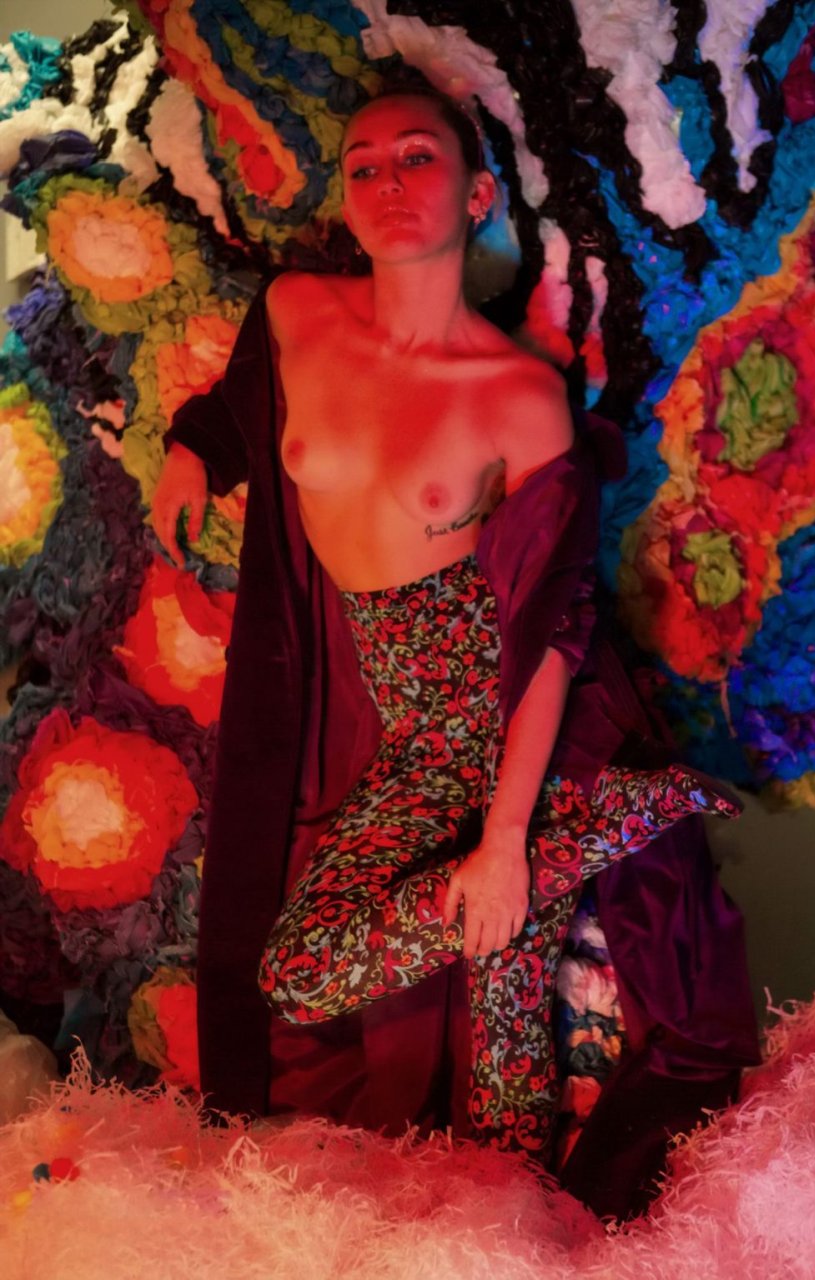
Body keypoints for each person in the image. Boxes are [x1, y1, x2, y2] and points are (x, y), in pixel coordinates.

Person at [153, 86, 758, 1196]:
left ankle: (592, 822)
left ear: (478, 195)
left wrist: (508, 839)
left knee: (485, 1057)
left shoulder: (518, 395)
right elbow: (246, 405)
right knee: (322, 980)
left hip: (514, 729)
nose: (388, 183)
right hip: (411, 731)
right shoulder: (294, 312)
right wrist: (193, 449)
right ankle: (604, 827)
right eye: (364, 165)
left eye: (417, 158)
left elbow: (555, 629)